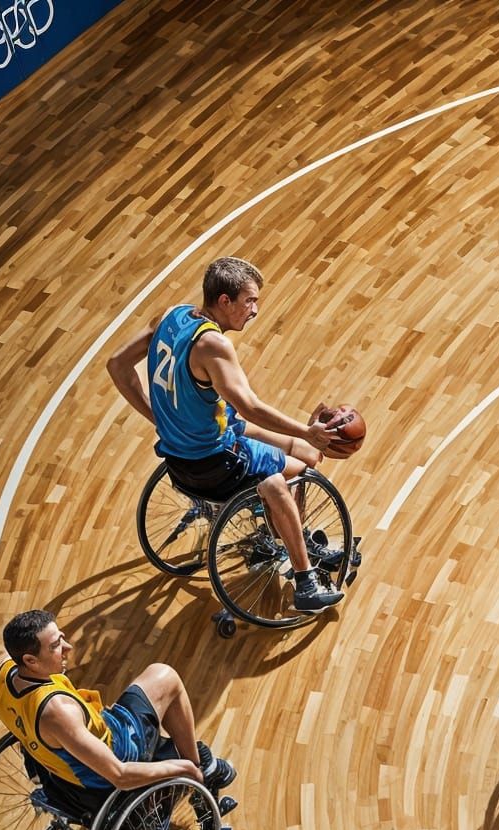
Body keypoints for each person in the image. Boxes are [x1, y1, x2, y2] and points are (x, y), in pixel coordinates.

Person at [106, 255, 352, 614]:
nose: (254, 310)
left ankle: (287, 531)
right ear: (224, 301)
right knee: (294, 472)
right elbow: (250, 405)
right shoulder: (213, 345)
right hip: (215, 460)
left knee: (306, 453)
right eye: (249, 301)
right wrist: (307, 430)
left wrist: (157, 417)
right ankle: (304, 579)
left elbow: (116, 364)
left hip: (178, 455)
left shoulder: (171, 316)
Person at [0, 608, 235, 796]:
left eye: (61, 637)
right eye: (55, 646)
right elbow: (120, 775)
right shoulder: (57, 711)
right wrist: (183, 771)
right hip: (117, 754)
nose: (68, 648)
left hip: (53, 757)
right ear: (29, 660)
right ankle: (202, 772)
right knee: (165, 676)